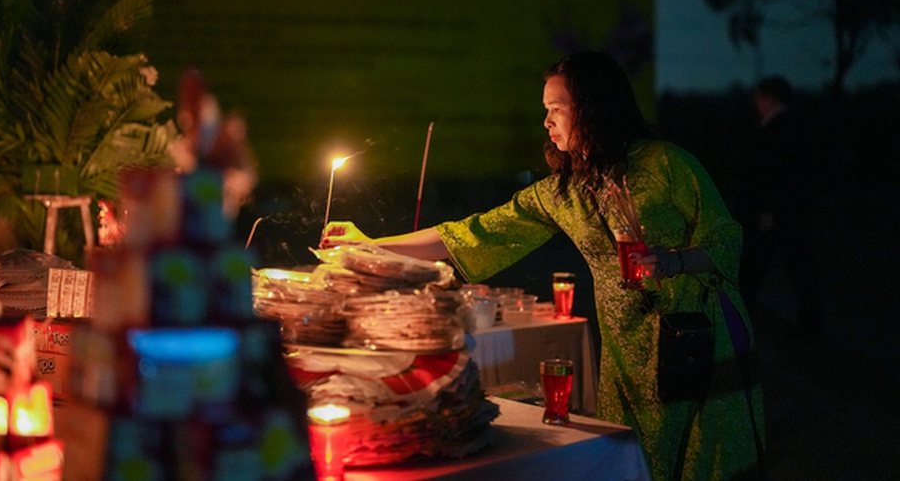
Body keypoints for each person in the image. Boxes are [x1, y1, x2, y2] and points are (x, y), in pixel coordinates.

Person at [320, 52, 765, 481]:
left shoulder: (666, 163)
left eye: (558, 108)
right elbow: (473, 232)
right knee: (637, 457)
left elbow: (726, 239)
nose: (547, 121)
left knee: (705, 457)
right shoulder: (562, 192)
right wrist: (371, 244)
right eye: (545, 109)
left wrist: (675, 260)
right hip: (627, 349)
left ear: (593, 108)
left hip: (700, 336)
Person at [738, 75, 822, 339]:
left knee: (758, 265)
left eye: (759, 96)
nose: (755, 102)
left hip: (777, 214)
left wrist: (769, 210)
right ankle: (808, 322)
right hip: (784, 212)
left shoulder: (782, 128)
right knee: (794, 266)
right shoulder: (790, 125)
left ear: (770, 98)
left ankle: (741, 319)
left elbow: (779, 174)